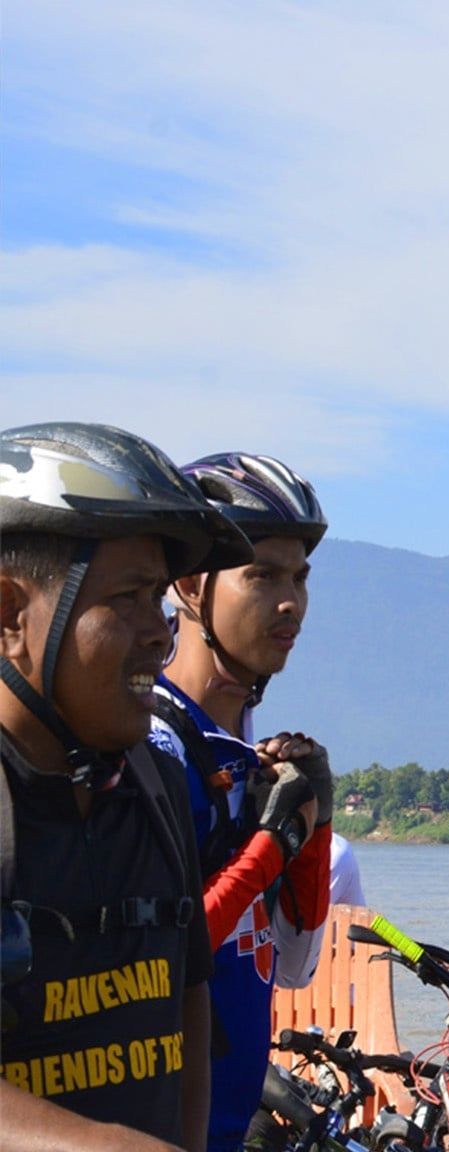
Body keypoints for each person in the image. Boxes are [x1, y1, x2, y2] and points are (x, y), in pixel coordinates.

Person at [0, 421, 254, 1152]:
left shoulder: (156, 779)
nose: (159, 634)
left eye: (160, 602)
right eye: (129, 598)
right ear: (11, 614)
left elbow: (189, 1002)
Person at [147, 453, 333, 1152]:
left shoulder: (241, 748)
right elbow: (158, 963)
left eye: (300, 578)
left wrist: (317, 824)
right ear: (192, 586)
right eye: (261, 575)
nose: (290, 602)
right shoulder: (154, 747)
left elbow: (292, 962)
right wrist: (268, 850)